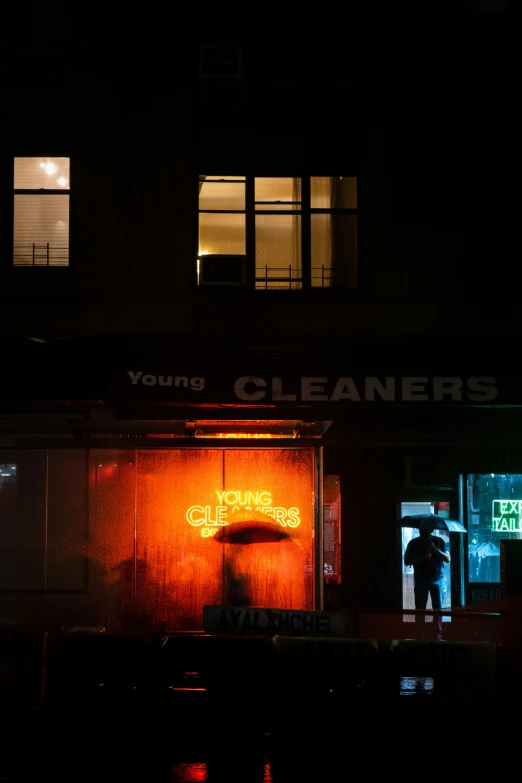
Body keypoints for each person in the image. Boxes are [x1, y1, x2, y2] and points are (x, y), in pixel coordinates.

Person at [404, 524, 450, 610]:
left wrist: (435, 549)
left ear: (431, 530)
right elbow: (407, 561)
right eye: (421, 529)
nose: (423, 531)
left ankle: (434, 624)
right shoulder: (413, 543)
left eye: (425, 529)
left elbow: (448, 558)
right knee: (422, 610)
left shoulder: (439, 541)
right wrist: (423, 556)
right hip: (422, 580)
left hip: (435, 580)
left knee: (436, 610)